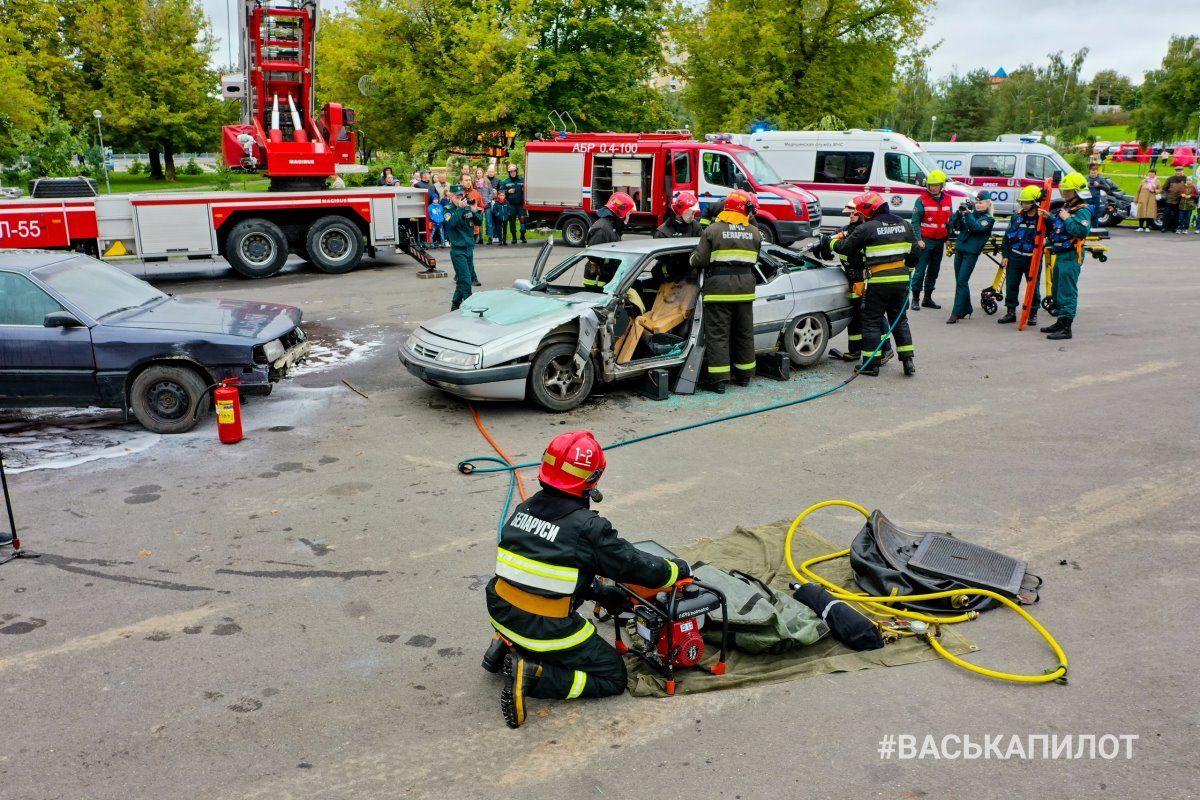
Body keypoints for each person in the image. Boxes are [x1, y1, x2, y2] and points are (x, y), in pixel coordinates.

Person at [482, 430, 690, 728]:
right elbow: (633, 565)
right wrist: (676, 570)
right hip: (543, 626)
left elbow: (548, 569)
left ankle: (504, 645)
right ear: (592, 479)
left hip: (500, 611)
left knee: (529, 612)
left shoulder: (522, 510)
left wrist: (598, 592)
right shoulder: (587, 528)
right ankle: (533, 674)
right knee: (612, 676)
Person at [833, 191, 917, 377]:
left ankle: (871, 365)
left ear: (869, 211)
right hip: (901, 281)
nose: (861, 217)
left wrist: (830, 243)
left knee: (871, 321)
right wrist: (908, 271)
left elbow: (846, 247)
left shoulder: (867, 228)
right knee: (900, 320)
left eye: (862, 214)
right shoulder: (905, 224)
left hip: (877, 282)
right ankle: (908, 362)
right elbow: (915, 253)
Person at [690, 189, 762, 392]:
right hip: (745, 290)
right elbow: (755, 259)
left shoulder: (712, 230)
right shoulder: (754, 232)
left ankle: (719, 381)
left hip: (718, 291)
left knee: (718, 335)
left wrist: (691, 259)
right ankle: (745, 376)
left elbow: (699, 260)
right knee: (744, 333)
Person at [1039, 172, 1092, 341]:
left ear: (1077, 192)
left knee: (1067, 291)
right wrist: (1050, 217)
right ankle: (1060, 322)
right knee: (1057, 289)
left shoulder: (1082, 211)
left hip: (1071, 254)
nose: (1063, 193)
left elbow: (1081, 231)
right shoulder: (1068, 207)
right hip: (1061, 254)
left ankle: (1066, 327)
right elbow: (1059, 225)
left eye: (1067, 191)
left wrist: (1068, 218)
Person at [946, 190, 996, 324]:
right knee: (960, 281)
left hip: (971, 253)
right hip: (960, 250)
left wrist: (968, 214)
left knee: (962, 281)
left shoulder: (988, 219)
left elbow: (976, 228)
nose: (978, 205)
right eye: (977, 203)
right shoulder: (969, 214)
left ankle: (956, 312)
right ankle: (967, 308)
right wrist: (958, 213)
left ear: (988, 204)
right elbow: (953, 225)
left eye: (981, 203)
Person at [997, 184, 1043, 326]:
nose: (1024, 205)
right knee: (1011, 285)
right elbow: (1007, 237)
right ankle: (1011, 312)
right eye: (1022, 202)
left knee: (1033, 287)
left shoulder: (1042, 219)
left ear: (1035, 202)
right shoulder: (1016, 217)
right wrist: (1005, 255)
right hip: (1015, 257)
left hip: (1033, 258)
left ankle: (1033, 313)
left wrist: (1047, 217)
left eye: (1027, 202)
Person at [910, 169, 953, 311]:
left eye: (936, 185)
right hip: (925, 241)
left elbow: (949, 221)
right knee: (920, 271)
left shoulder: (948, 199)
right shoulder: (921, 200)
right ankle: (915, 299)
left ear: (942, 185)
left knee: (934, 271)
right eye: (930, 185)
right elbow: (915, 222)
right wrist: (918, 239)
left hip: (940, 241)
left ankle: (927, 298)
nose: (933, 188)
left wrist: (948, 238)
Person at [582, 192, 635, 288]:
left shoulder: (612, 226)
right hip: (597, 281)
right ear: (621, 212)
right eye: (628, 213)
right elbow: (594, 256)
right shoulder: (602, 230)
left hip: (606, 279)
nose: (628, 216)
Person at [445, 184, 478, 310]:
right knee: (466, 280)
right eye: (457, 197)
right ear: (451, 197)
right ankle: (470, 307)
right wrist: (459, 209)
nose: (460, 199)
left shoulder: (466, 208)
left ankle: (455, 304)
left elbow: (479, 222)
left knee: (462, 279)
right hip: (458, 250)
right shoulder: (448, 209)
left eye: (461, 196)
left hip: (469, 248)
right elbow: (452, 223)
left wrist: (474, 211)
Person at [500, 164, 527, 243]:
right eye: (511, 171)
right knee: (512, 222)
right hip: (511, 205)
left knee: (523, 222)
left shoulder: (522, 180)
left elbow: (528, 189)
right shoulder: (506, 181)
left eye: (514, 171)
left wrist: (524, 189)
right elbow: (501, 192)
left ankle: (522, 235)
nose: (513, 173)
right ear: (509, 172)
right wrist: (507, 191)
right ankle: (514, 237)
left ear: (516, 171)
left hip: (521, 205)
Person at [1162, 165, 1188, 233]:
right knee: (1166, 214)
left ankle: (1174, 228)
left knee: (1176, 214)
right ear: (1175, 172)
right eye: (1177, 171)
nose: (1178, 172)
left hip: (1180, 200)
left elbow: (1189, 188)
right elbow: (1164, 188)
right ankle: (1164, 227)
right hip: (1170, 199)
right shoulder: (1170, 179)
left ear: (1183, 171)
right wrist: (1166, 196)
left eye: (1180, 171)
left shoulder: (1186, 179)